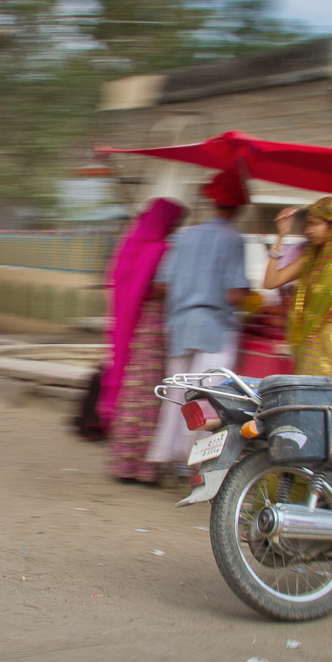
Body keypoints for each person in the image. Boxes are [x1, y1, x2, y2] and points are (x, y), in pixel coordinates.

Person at [144, 170, 250, 482]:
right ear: (238, 208)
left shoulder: (185, 236)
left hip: (180, 325)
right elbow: (234, 293)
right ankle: (198, 468)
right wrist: (248, 297)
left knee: (177, 397)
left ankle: (168, 459)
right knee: (211, 403)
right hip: (215, 329)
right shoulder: (234, 239)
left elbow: (161, 285)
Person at [100, 197, 187, 482]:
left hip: (133, 327)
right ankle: (144, 467)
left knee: (132, 391)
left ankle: (124, 463)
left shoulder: (131, 247)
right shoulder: (161, 249)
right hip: (152, 327)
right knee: (151, 395)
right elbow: (160, 289)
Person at [264, 196, 332, 381]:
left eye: (314, 224)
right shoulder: (310, 261)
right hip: (307, 348)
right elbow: (270, 282)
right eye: (307, 225)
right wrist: (281, 235)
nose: (308, 230)